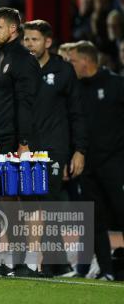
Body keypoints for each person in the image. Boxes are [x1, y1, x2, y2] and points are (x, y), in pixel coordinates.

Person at [22, 20, 88, 277]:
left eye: (34, 39)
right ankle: (55, 263)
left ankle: (50, 266)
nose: (29, 44)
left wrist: (79, 150)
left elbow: (77, 114)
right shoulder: (19, 69)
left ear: (48, 42)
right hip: (26, 148)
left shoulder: (63, 71)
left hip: (54, 148)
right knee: (29, 203)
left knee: (48, 202)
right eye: (26, 39)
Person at [0, 7, 41, 277]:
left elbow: (27, 103)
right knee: (7, 198)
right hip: (5, 139)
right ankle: (13, 261)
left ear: (13, 29)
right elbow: (1, 106)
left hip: (22, 141)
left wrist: (25, 141)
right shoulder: (1, 58)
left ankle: (30, 263)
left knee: (27, 200)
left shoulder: (22, 59)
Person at [69, 41, 124, 281]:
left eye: (72, 61)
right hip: (88, 165)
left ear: (85, 60)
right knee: (93, 219)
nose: (70, 66)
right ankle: (107, 270)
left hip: (115, 164)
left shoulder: (116, 84)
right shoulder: (75, 89)